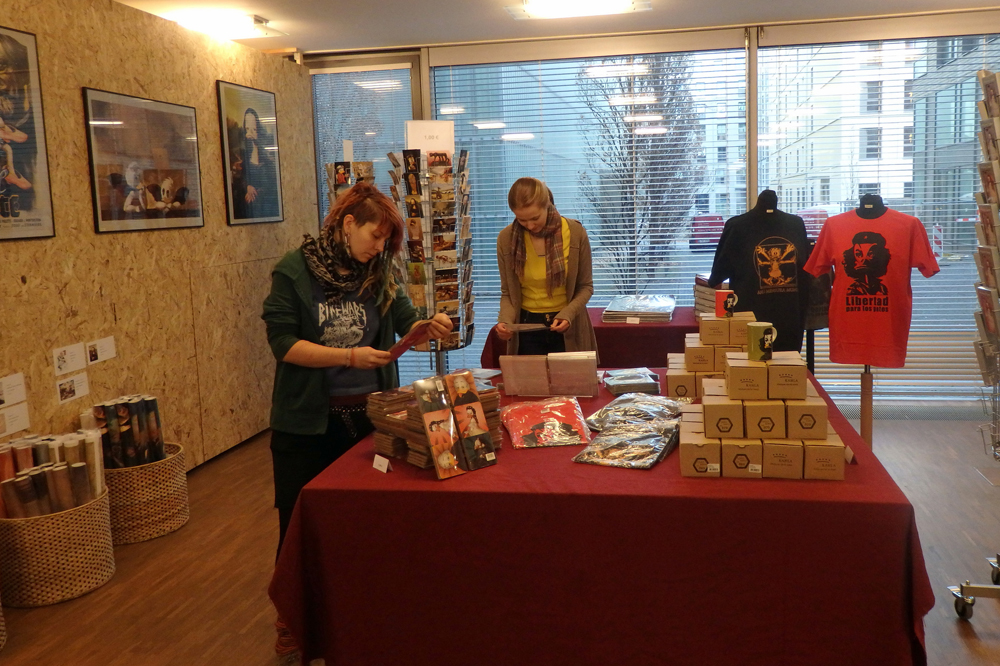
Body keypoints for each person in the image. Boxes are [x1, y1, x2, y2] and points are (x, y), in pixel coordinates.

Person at [261, 181, 452, 656]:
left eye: (387, 241)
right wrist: (348, 356)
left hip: (370, 420)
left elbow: (405, 318)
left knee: (366, 520)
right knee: (298, 525)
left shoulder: (379, 273)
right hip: (307, 424)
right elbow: (283, 345)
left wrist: (426, 326)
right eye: (375, 235)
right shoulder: (293, 271)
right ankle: (292, 620)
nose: (379, 247)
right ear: (348, 224)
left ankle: (361, 611)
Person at [495, 177, 598, 356]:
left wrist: (568, 314)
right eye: (522, 220)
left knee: (570, 375)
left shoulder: (575, 233)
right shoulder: (506, 239)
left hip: (569, 325)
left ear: (547, 204)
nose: (530, 225)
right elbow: (508, 293)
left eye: (535, 218)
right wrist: (505, 322)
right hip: (526, 329)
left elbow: (586, 287)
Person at [241, 107, 280, 219]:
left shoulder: (266, 154)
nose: (250, 134)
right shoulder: (241, 154)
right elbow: (239, 177)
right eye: (247, 129)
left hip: (268, 205)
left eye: (254, 130)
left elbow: (273, 182)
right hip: (250, 208)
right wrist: (247, 186)